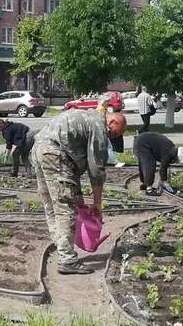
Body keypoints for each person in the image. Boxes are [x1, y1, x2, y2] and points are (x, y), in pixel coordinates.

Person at [31, 109, 127, 275]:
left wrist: (79, 198)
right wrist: (97, 203)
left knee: (52, 206)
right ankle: (67, 259)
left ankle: (62, 247)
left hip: (39, 151)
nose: (113, 138)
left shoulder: (86, 118)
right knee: (65, 209)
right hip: (55, 154)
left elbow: (72, 167)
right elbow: (96, 170)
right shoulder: (99, 126)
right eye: (116, 134)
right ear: (112, 123)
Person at [96, 94, 125, 168]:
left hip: (101, 129)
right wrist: (106, 128)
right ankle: (114, 162)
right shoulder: (101, 109)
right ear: (104, 102)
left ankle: (104, 161)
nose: (108, 103)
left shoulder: (102, 108)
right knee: (108, 146)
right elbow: (101, 120)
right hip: (101, 130)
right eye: (107, 101)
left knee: (105, 146)